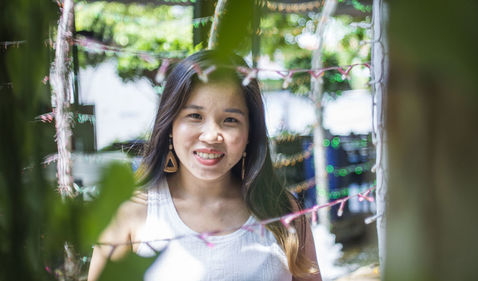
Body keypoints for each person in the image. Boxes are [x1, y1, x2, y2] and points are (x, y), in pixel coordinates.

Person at [87, 50, 321, 281]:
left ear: (250, 133)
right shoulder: (130, 212)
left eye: (230, 120)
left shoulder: (283, 212)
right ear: (170, 125)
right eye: (195, 116)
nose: (211, 136)